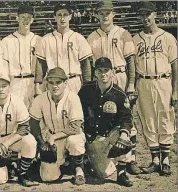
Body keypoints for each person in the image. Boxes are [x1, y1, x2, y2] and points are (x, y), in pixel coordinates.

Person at [86, 1, 140, 175]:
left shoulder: (123, 33)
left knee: (126, 117)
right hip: (102, 77)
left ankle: (131, 159)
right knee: (105, 117)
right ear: (97, 15)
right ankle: (103, 156)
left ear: (113, 14)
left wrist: (131, 83)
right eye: (101, 13)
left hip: (120, 73)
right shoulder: (92, 36)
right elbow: (88, 62)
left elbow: (131, 61)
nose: (105, 15)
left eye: (108, 12)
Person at [133, 2, 177, 176]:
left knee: (165, 117)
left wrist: (175, 91)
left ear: (155, 14)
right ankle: (155, 160)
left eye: (148, 14)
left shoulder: (167, 37)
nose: (145, 18)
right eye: (142, 15)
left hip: (163, 81)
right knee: (148, 119)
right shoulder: (135, 39)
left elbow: (175, 67)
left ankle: (165, 159)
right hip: (143, 82)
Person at [78, 57, 134, 187]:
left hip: (111, 133)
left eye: (106, 70)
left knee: (128, 134)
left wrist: (124, 135)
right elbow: (78, 112)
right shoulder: (86, 90)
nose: (103, 74)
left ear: (112, 72)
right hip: (94, 138)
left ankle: (122, 172)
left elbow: (127, 117)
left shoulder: (119, 94)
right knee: (104, 173)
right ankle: (90, 160)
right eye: (100, 70)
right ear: (95, 73)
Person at [0, 73, 38, 186]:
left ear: (9, 86)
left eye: (4, 85)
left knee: (30, 142)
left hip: (11, 138)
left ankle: (23, 173)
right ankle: (5, 164)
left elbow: (24, 128)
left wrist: (5, 144)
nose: (1, 89)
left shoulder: (17, 102)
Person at [29, 67, 86, 185]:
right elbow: (33, 123)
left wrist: (54, 137)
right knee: (48, 178)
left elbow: (75, 126)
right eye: (51, 82)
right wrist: (41, 143)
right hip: (51, 137)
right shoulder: (40, 99)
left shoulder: (73, 97)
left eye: (58, 82)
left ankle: (79, 169)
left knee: (75, 141)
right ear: (47, 84)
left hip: (70, 135)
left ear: (65, 83)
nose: (55, 86)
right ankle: (65, 164)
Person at [34, 2, 92, 94]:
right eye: (59, 15)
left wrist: (88, 86)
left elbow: (85, 65)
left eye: (65, 15)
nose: (62, 18)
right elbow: (40, 65)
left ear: (70, 16)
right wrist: (37, 86)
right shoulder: (46, 39)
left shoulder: (78, 38)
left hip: (73, 81)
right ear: (54, 17)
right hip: (53, 82)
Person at [1, 5, 40, 108]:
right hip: (15, 83)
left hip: (34, 82)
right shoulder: (7, 41)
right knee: (15, 115)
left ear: (32, 20)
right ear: (17, 18)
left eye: (29, 17)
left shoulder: (39, 40)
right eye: (23, 17)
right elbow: (4, 68)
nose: (25, 20)